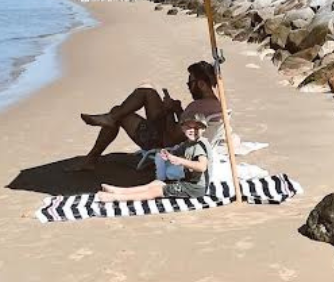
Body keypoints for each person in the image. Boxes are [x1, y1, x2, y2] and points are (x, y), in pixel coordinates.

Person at [68, 60, 222, 172]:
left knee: (120, 114)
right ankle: (111, 118)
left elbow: (171, 138)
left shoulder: (197, 107)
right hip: (175, 137)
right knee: (147, 90)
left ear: (201, 84)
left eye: (190, 83)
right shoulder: (216, 105)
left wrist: (170, 111)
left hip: (163, 143)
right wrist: (178, 109)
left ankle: (93, 155)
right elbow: (190, 130)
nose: (189, 87)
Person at [93, 114, 212, 202]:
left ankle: (116, 198)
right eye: (189, 127)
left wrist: (180, 161)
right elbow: (175, 151)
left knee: (157, 190)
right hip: (188, 182)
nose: (192, 131)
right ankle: (120, 191)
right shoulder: (188, 144)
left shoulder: (199, 146)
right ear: (182, 128)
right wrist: (167, 154)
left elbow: (202, 167)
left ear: (203, 129)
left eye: (197, 128)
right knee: (157, 183)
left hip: (195, 188)